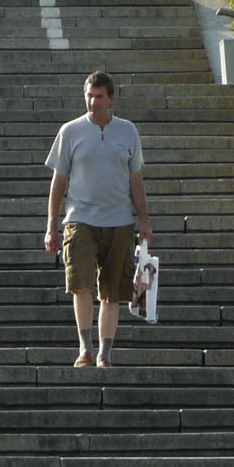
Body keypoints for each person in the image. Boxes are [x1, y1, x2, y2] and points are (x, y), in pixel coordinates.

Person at [43, 70, 151, 367]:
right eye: (89, 96)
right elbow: (58, 182)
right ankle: (85, 348)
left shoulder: (127, 131)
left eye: (99, 96)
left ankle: (105, 352)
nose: (93, 102)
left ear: (111, 98)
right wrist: (51, 226)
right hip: (79, 219)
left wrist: (144, 220)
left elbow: (136, 179)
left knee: (112, 291)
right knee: (80, 283)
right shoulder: (70, 131)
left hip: (119, 219)